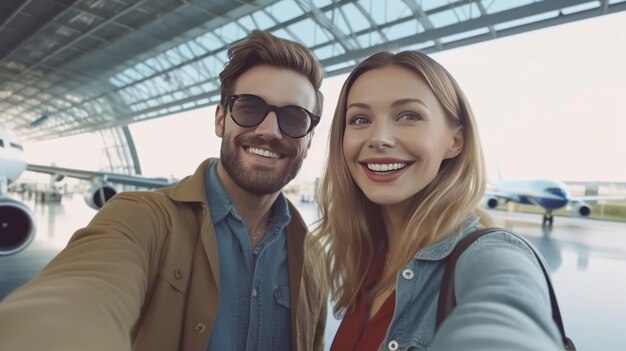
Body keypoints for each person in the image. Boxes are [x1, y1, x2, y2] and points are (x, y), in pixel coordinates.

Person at [0, 30, 327, 351]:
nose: (269, 131)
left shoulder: (313, 261)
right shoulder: (142, 219)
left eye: (294, 118)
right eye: (249, 108)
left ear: (309, 140)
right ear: (220, 119)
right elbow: (80, 293)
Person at [310, 50, 565, 350]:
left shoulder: (490, 256)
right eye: (360, 119)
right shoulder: (371, 258)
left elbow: (506, 319)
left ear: (455, 141)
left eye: (409, 116)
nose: (379, 138)